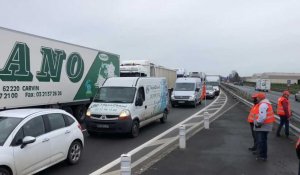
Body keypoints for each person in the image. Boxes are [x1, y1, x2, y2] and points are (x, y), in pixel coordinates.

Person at [253, 92, 275, 161]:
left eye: (257, 97)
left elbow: (262, 117)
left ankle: (262, 156)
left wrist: (258, 123)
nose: (256, 98)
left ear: (259, 98)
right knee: (263, 141)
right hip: (267, 125)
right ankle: (262, 155)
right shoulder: (266, 103)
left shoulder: (263, 105)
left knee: (261, 141)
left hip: (263, 126)